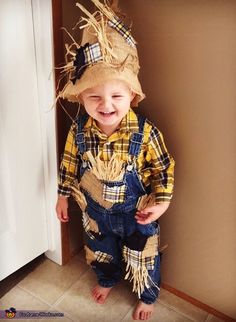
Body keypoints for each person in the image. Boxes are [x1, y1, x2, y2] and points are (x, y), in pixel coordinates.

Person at [56, 0, 175, 320]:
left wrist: (161, 204)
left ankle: (147, 296)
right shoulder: (80, 130)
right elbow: (69, 162)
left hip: (137, 214)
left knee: (143, 258)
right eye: (94, 96)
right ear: (81, 97)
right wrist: (63, 195)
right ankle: (107, 279)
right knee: (100, 252)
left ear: (132, 96)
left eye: (116, 96)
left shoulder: (145, 133)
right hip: (96, 212)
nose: (105, 104)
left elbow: (163, 169)